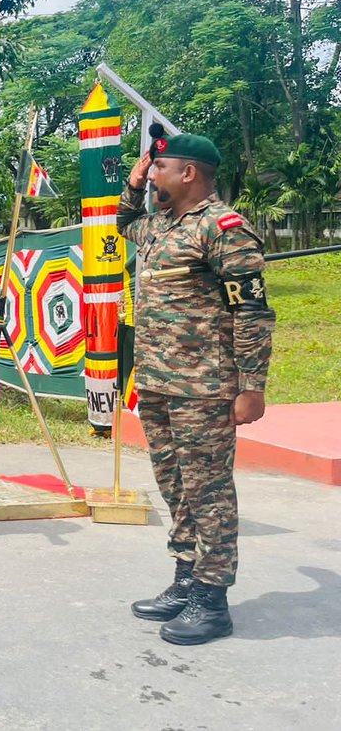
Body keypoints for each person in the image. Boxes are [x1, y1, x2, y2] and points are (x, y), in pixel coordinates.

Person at [118, 126, 275, 646]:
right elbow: (124, 225)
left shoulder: (224, 229)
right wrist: (134, 181)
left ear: (189, 173)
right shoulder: (161, 224)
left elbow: (251, 313)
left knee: (208, 493)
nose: (152, 174)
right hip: (160, 383)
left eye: (160, 167)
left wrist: (251, 386)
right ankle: (186, 578)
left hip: (205, 388)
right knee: (175, 486)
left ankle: (212, 598)